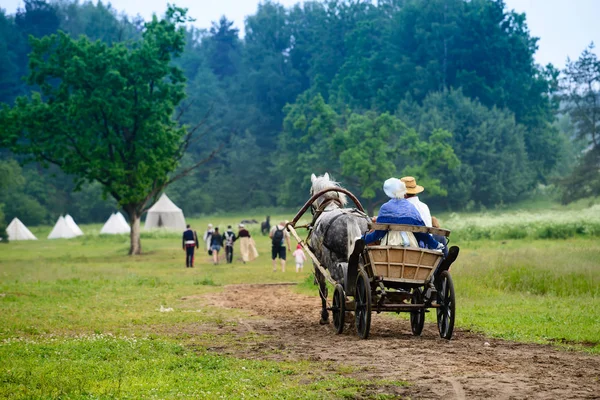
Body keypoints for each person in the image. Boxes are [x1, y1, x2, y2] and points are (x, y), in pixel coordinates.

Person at [363, 178, 442, 250]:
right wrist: (435, 244)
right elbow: (421, 232)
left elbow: (378, 234)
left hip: (389, 246)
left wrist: (362, 239)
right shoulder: (411, 207)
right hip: (411, 247)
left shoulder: (385, 208)